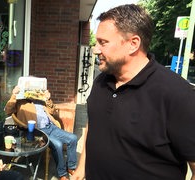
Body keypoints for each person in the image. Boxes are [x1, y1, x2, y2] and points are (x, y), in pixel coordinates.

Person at [72, 4, 195, 180]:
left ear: (133, 44)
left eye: (103, 42)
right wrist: (81, 169)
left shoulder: (177, 94)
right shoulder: (101, 81)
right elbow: (94, 125)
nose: (95, 49)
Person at [5, 85, 78, 180]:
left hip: (51, 127)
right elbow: (7, 110)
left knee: (73, 138)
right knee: (58, 145)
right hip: (38, 132)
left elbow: (52, 111)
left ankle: (71, 167)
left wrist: (48, 99)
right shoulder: (20, 101)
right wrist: (14, 95)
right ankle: (62, 174)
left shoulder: (40, 98)